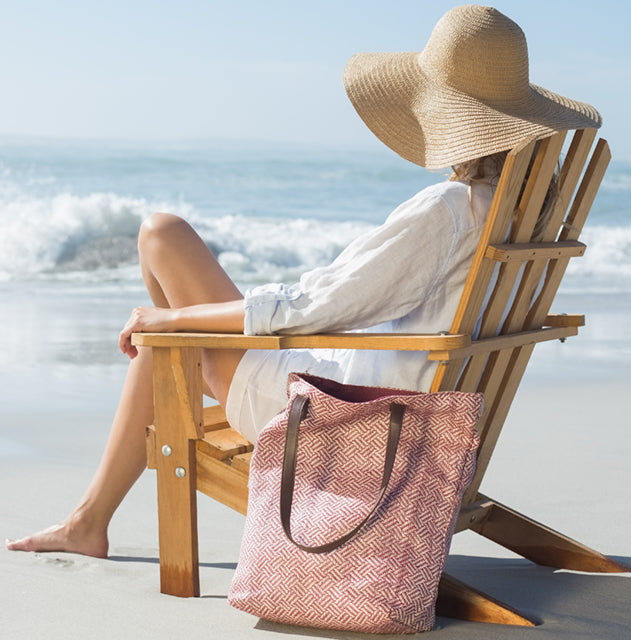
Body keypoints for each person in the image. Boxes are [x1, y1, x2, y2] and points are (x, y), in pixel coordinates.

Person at [6, 4, 600, 558]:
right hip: (419, 424)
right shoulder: (527, 220)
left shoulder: (450, 209)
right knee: (168, 330)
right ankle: (89, 518)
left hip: (346, 421)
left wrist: (172, 319)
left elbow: (320, 306)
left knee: (160, 235)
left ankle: (89, 520)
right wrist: (177, 322)